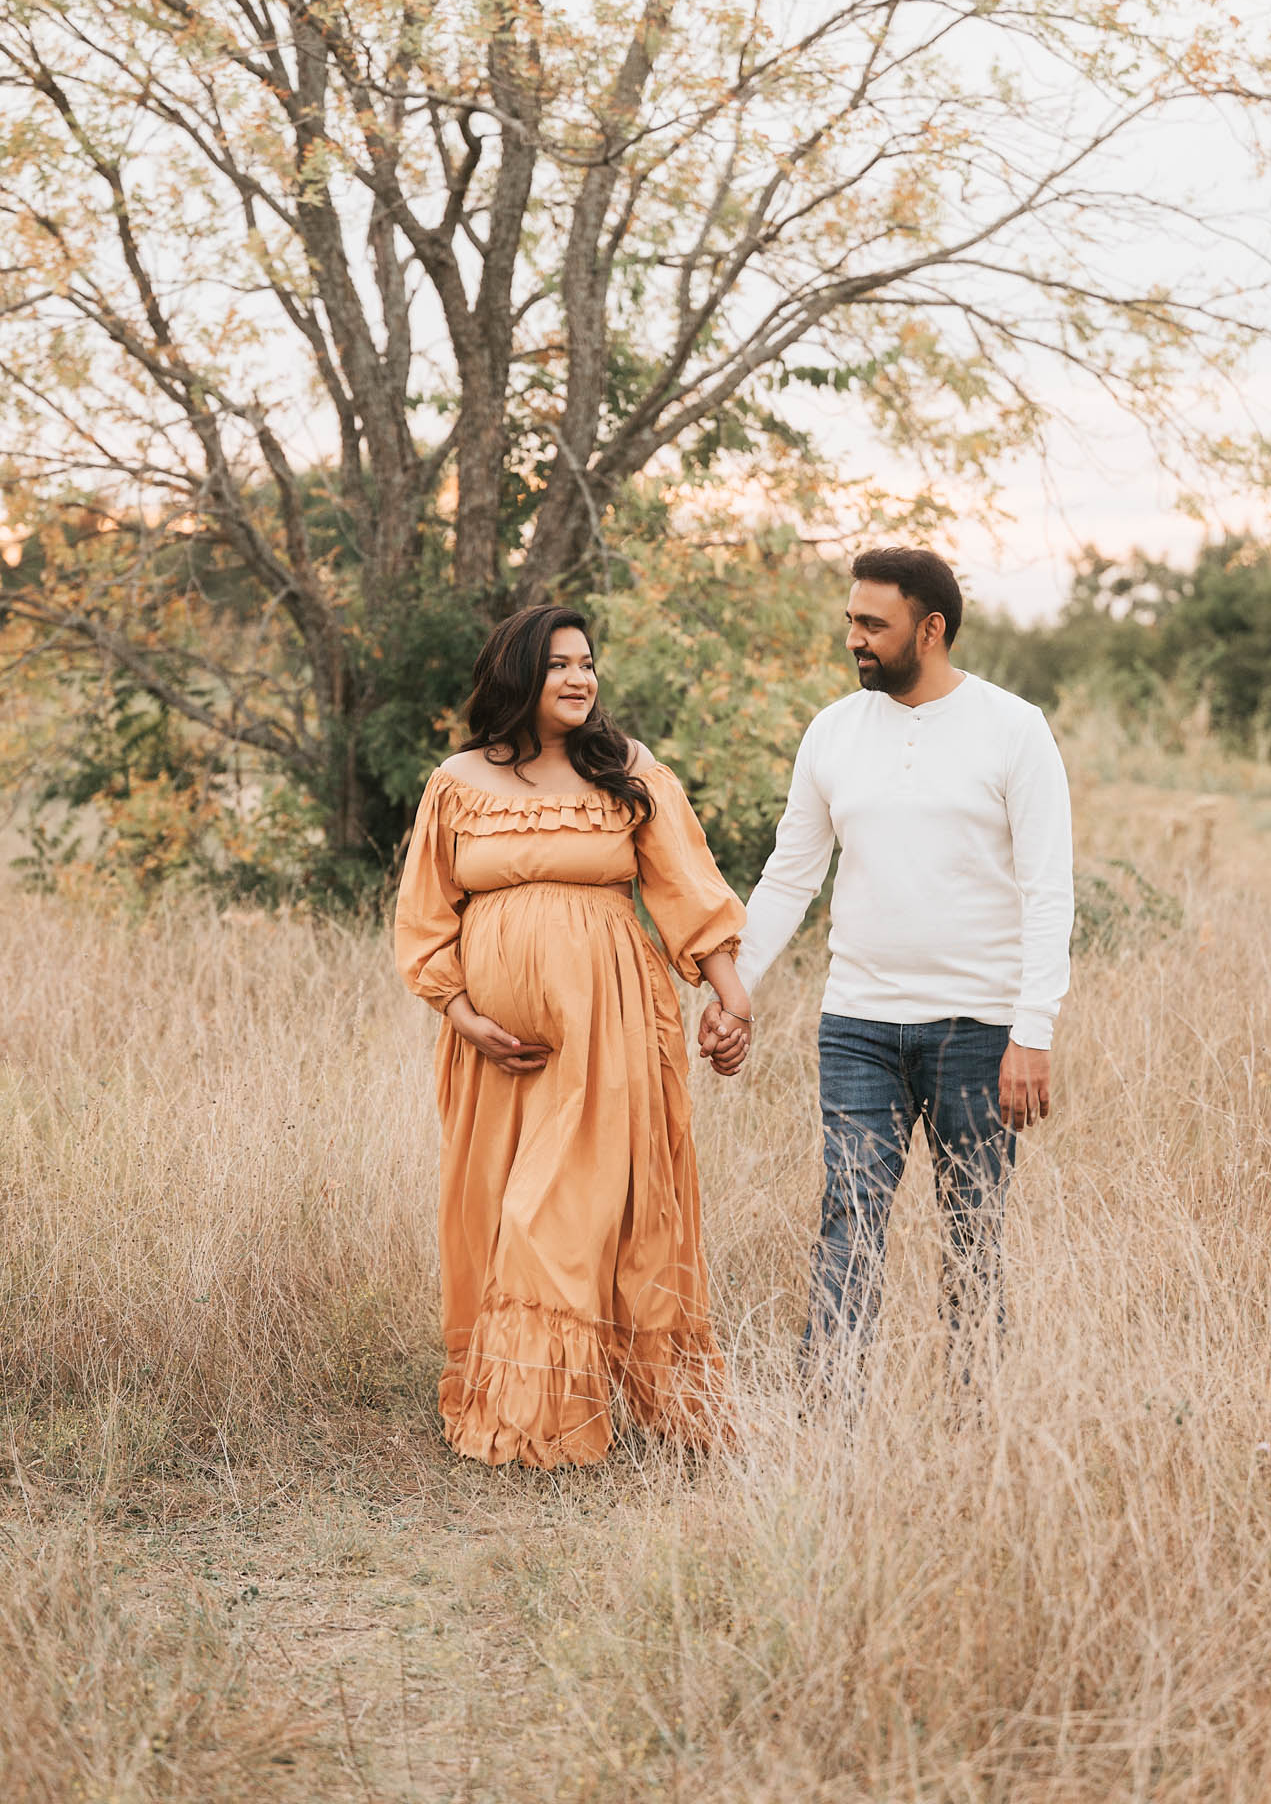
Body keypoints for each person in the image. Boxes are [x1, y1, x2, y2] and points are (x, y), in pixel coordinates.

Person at [701, 547, 1074, 1379]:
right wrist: (734, 988)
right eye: (851, 621)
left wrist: (1032, 1031)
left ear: (929, 629)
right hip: (857, 1025)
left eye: (873, 624)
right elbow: (789, 875)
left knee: (973, 1231)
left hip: (978, 1030)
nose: (854, 639)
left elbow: (1048, 889)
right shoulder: (832, 731)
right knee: (849, 1216)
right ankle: (828, 1416)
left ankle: (975, 1421)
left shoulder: (1013, 728)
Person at [396, 605, 753, 1468]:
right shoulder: (457, 781)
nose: (580, 678)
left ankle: (550, 1419)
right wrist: (464, 1015)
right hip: (493, 1052)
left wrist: (732, 1000)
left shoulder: (626, 770)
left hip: (609, 1030)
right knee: (495, 1208)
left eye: (587, 663)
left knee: (559, 1213)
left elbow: (686, 889)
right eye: (559, 664)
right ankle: (518, 1404)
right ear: (517, 672)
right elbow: (424, 917)